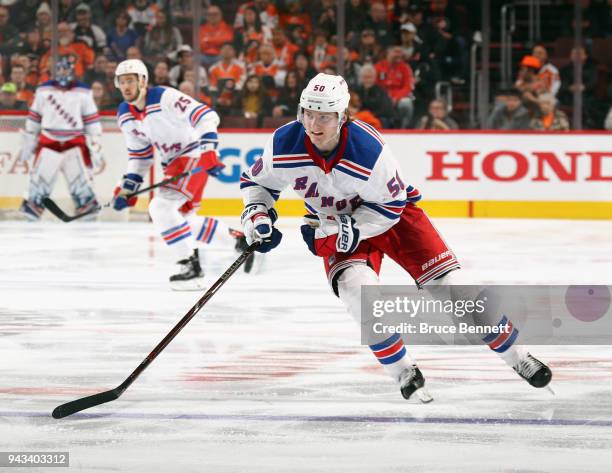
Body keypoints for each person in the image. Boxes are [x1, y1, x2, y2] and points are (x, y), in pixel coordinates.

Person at [239, 73, 552, 400]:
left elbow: (391, 207)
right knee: (357, 294)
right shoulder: (283, 142)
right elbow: (259, 183)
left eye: (325, 116)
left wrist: (349, 231)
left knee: (453, 289)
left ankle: (518, 357)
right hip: (336, 222)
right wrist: (258, 215)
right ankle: (403, 371)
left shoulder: (368, 150)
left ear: (342, 116)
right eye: (308, 113)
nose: (314, 124)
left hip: (391, 218)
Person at [112, 59, 253, 290]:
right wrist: (127, 188)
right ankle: (239, 241)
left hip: (192, 156)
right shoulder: (125, 114)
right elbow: (140, 155)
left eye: (131, 80)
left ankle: (190, 265)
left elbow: (206, 116)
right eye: (122, 81)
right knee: (182, 220)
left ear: (143, 81)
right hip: (174, 166)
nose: (126, 86)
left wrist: (208, 151)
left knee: (160, 208)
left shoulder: (164, 97)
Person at [19, 57, 103, 220]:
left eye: (66, 70)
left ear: (72, 71)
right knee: (41, 177)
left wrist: (96, 144)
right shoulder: (43, 90)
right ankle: (34, 203)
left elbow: (91, 121)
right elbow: (34, 118)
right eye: (60, 70)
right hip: (48, 140)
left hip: (75, 141)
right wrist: (29, 141)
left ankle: (86, 203)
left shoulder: (83, 91)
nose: (63, 73)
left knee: (79, 179)